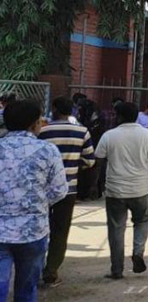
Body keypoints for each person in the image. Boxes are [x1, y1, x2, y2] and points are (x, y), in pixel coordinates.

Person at [94, 101, 148, 280]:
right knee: (142, 221)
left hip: (115, 191)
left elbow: (98, 162)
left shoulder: (108, 136)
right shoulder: (147, 135)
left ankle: (117, 269)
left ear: (119, 116)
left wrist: (93, 185)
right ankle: (138, 252)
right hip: (140, 189)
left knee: (116, 229)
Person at [0, 101, 67, 301]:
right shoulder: (48, 150)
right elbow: (59, 190)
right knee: (27, 288)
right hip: (33, 230)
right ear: (34, 124)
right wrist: (37, 203)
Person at [36, 97, 95, 287]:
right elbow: (89, 160)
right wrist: (72, 166)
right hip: (68, 189)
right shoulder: (81, 131)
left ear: (54, 109)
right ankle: (51, 271)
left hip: (41, 190)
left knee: (39, 229)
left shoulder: (42, 131)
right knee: (60, 231)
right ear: (72, 111)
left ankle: (35, 269)